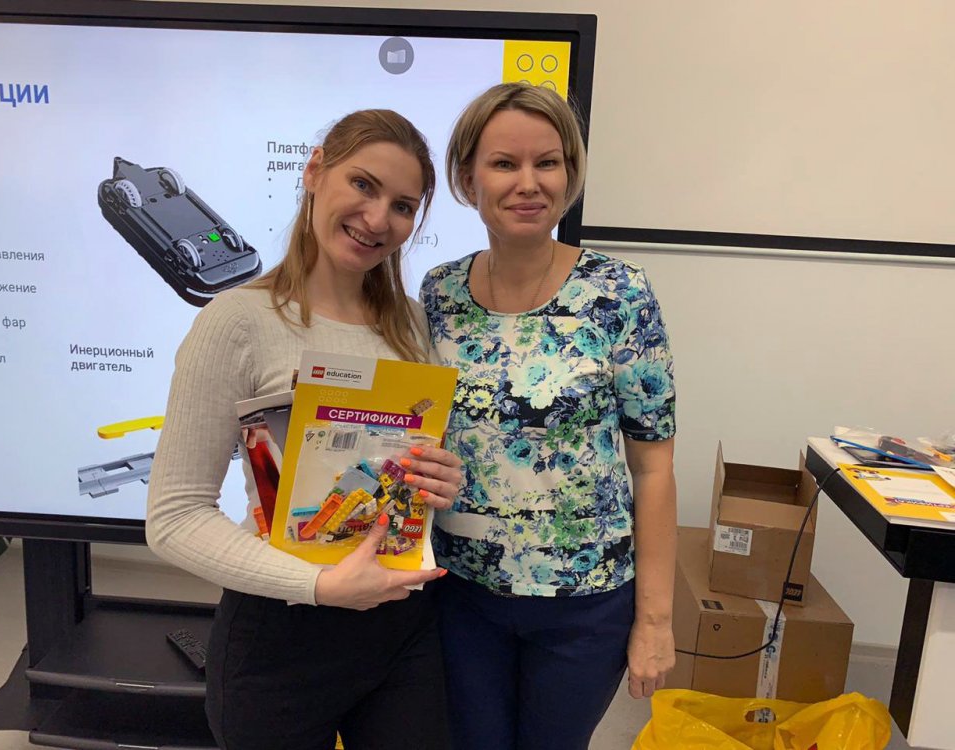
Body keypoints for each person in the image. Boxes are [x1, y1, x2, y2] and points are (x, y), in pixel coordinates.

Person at [147, 109, 462, 750]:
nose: (378, 219)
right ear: (315, 171)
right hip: (280, 637)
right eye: (363, 185)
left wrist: (441, 478)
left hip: (402, 629)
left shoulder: (413, 324)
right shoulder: (238, 321)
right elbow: (174, 518)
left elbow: (409, 472)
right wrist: (317, 585)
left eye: (403, 206)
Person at [420, 83, 678, 750]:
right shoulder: (439, 292)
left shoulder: (619, 293)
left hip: (585, 603)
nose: (528, 183)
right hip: (462, 592)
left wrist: (655, 620)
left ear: (571, 173)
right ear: (467, 178)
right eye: (504, 163)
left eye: (548, 162)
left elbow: (653, 468)